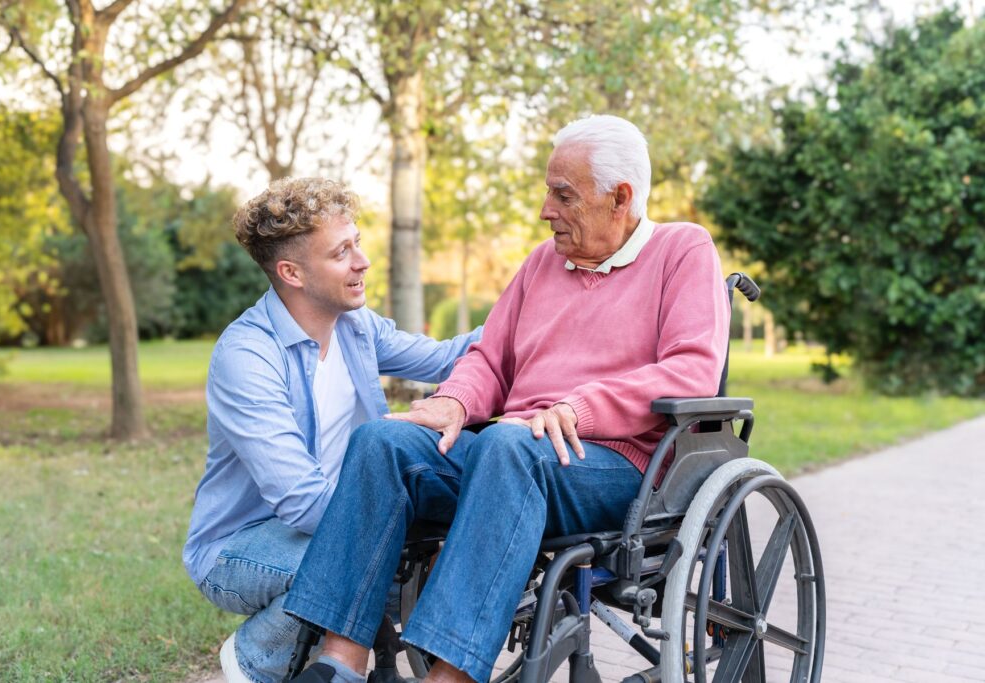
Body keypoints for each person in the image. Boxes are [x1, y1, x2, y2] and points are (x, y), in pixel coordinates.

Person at [282, 114, 731, 683]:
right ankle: (339, 664)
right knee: (383, 442)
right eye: (548, 191)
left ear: (620, 198)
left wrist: (580, 408)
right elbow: (490, 358)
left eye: (563, 195)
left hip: (616, 463)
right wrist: (455, 402)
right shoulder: (542, 263)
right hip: (512, 451)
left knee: (507, 444)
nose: (546, 209)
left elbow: (692, 370)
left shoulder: (682, 250)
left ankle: (450, 676)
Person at [182, 177, 481, 683]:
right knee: (365, 566)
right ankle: (256, 659)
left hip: (341, 521)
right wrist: (393, 522)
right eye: (342, 252)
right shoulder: (248, 356)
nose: (362, 261)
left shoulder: (356, 328)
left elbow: (448, 357)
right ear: (292, 272)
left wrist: (531, 317)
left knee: (402, 564)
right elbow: (300, 501)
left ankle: (328, 660)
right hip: (239, 547)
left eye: (357, 243)